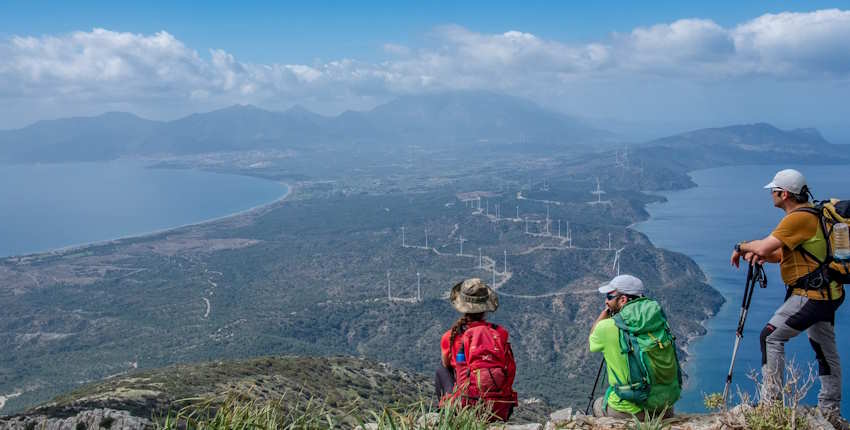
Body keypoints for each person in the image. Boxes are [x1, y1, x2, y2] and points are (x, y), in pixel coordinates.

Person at [731, 169, 847, 428]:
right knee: (825, 349)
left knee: (771, 336)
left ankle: (770, 404)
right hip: (829, 292)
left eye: (773, 191)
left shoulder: (797, 219)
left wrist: (742, 246)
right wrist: (763, 255)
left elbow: (762, 246)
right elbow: (786, 255)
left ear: (784, 194)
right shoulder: (811, 215)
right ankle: (830, 410)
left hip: (812, 295)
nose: (771, 195)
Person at [589, 274, 680, 419]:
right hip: (665, 408)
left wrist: (604, 314)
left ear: (623, 300)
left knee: (598, 404)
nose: (606, 301)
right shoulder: (659, 321)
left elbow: (592, 341)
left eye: (609, 296)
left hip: (630, 410)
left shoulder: (607, 327)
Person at [436, 278, 517, 421]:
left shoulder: (450, 336)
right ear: (485, 308)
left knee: (442, 370)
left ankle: (445, 417)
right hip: (500, 409)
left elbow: (446, 364)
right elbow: (509, 369)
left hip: (466, 406)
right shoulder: (500, 334)